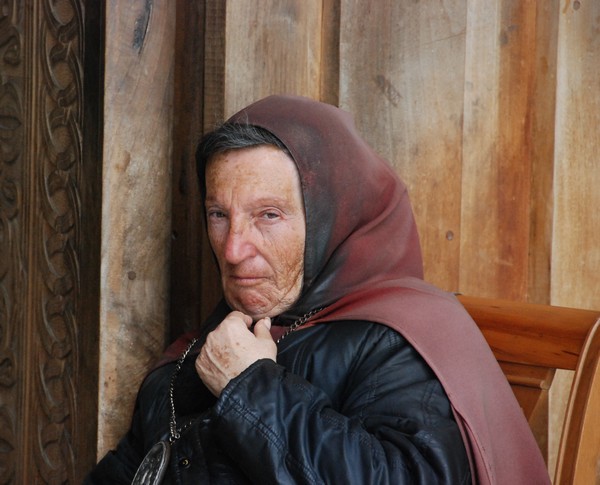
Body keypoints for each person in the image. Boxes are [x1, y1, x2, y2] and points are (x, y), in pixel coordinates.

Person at [85, 95, 550, 484]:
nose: (233, 249)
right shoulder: (231, 327)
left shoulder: (401, 344)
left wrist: (250, 388)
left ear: (335, 219)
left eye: (269, 215)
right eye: (219, 215)